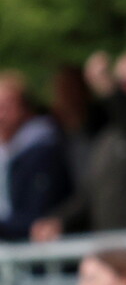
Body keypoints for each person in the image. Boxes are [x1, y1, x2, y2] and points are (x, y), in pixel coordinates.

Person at [31, 50, 126, 241]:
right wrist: (58, 220)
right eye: (122, 83)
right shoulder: (106, 137)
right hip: (109, 247)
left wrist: (109, 89)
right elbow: (89, 195)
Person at [0, 70, 73, 240]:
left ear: (25, 108)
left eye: (7, 106)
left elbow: (37, 215)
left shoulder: (43, 151)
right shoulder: (6, 153)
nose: (1, 114)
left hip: (34, 251)